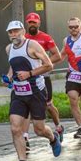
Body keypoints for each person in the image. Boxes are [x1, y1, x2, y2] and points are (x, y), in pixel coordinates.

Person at [4, 21, 61, 161]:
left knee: (39, 129)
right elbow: (12, 68)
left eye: (16, 31)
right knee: (15, 128)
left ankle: (53, 137)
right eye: (10, 32)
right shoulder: (9, 49)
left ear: (23, 31)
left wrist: (29, 74)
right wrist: (8, 78)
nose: (13, 34)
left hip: (36, 92)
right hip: (18, 93)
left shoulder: (33, 45)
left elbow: (49, 65)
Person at [24, 12, 64, 149]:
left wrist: (42, 64)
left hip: (43, 77)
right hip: (28, 78)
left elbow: (57, 56)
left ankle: (58, 127)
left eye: (34, 22)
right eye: (30, 22)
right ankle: (25, 138)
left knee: (48, 105)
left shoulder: (45, 38)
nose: (32, 24)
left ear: (39, 23)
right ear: (27, 23)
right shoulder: (23, 38)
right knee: (27, 107)